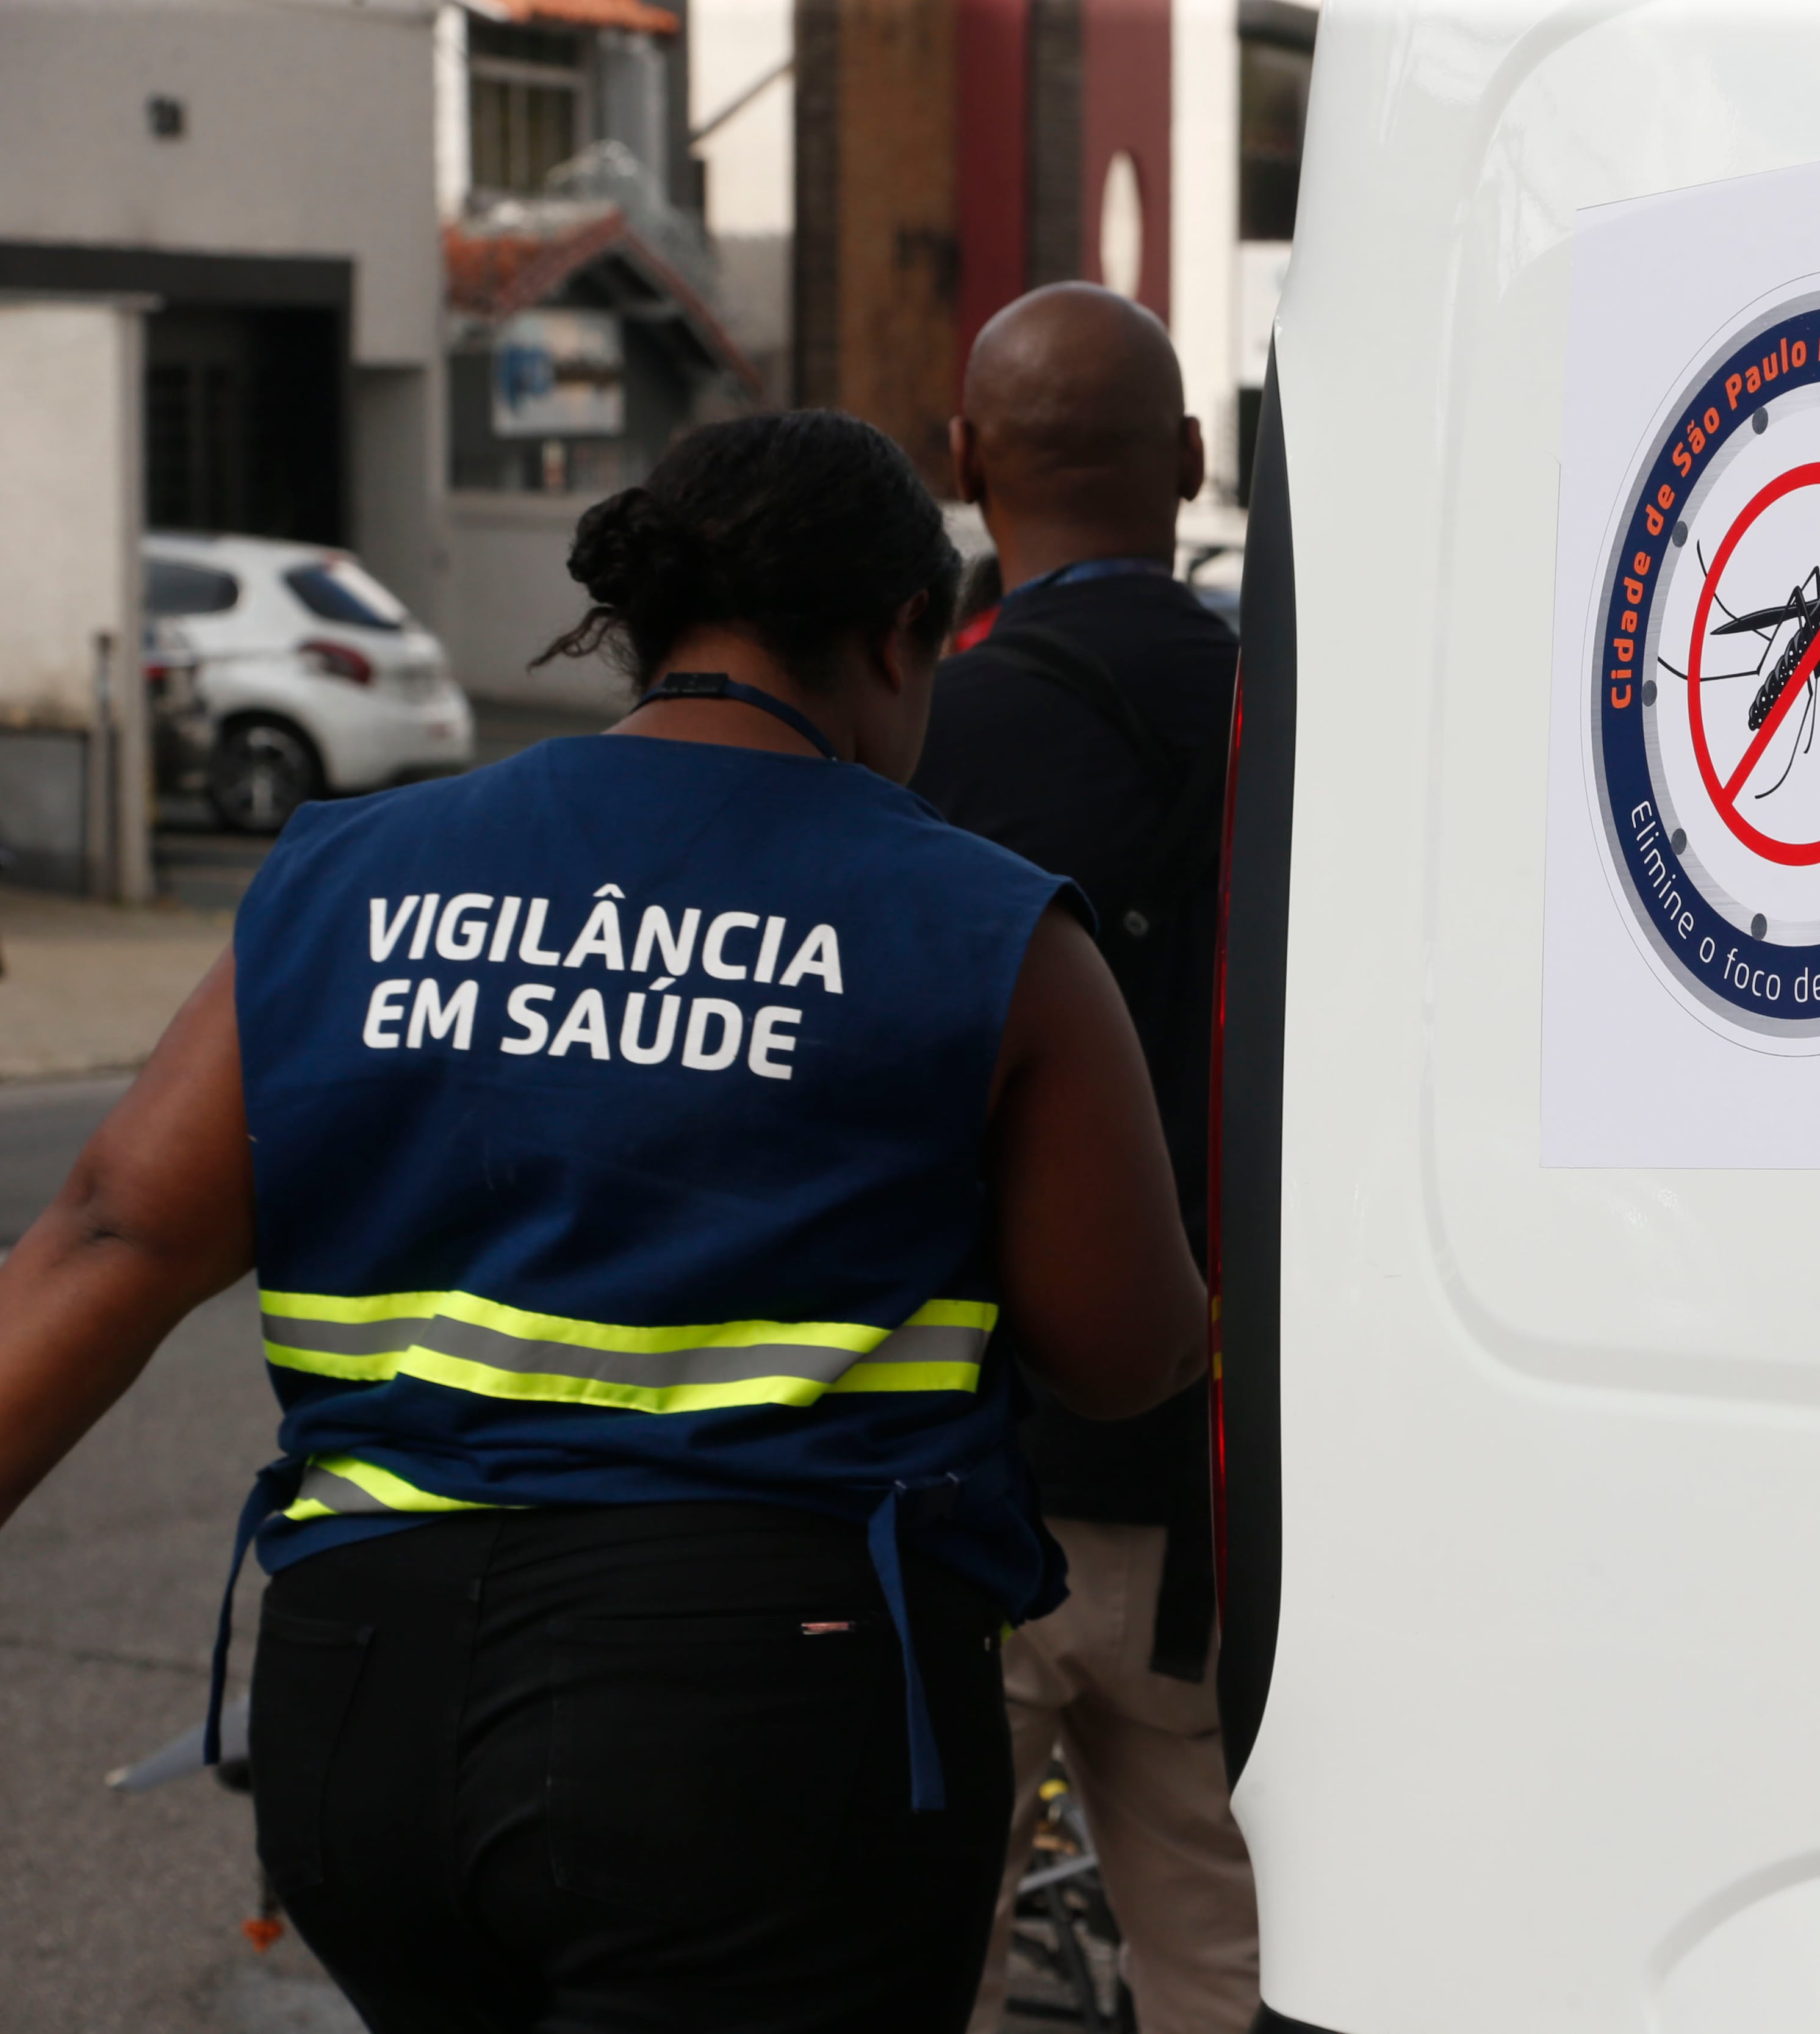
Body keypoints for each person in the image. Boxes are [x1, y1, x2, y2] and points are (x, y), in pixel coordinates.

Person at [0, 411, 1208, 2034]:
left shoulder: (355, 875)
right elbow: (1125, 1354)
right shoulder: (983, 926)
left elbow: (105, 1241)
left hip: (366, 1707)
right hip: (760, 1733)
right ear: (904, 635)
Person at [914, 282, 1259, 2033]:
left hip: (968, 1499)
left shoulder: (911, 746)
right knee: (1234, 1970)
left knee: (909, 1973)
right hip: (1233, 1503)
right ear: (1194, 462)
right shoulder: (1316, 716)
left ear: (963, 463)